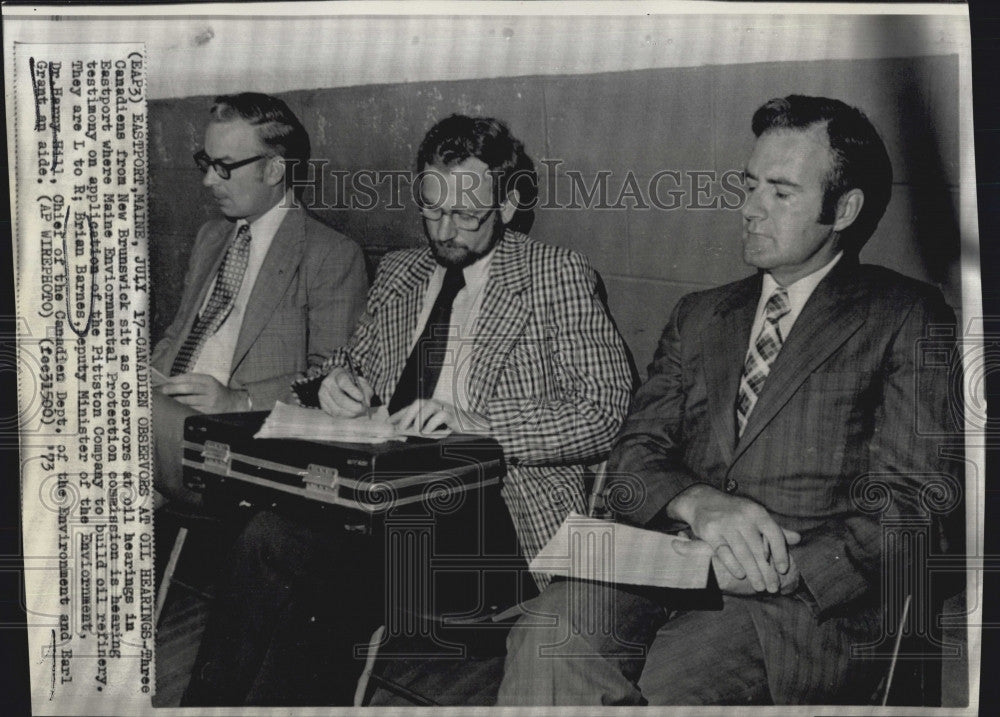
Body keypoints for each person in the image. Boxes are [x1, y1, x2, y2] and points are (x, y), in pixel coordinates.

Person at [497, 95, 963, 705]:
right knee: (546, 634)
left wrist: (787, 567)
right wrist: (699, 503)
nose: (749, 209)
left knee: (665, 690)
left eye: (780, 192)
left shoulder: (904, 315)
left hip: (793, 608)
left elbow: (917, 507)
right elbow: (633, 459)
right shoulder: (700, 315)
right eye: (748, 186)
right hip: (667, 564)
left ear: (843, 209)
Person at [181, 114, 634, 706]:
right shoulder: (401, 271)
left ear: (507, 204)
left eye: (466, 215)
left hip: (495, 518)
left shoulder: (556, 275)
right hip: (385, 495)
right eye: (432, 209)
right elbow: (340, 364)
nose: (445, 231)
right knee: (280, 540)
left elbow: (604, 410)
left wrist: (481, 425)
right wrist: (332, 384)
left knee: (303, 557)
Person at [150, 92, 368, 505]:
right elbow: (180, 332)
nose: (208, 180)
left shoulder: (331, 254)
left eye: (224, 167)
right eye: (206, 163)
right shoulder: (211, 237)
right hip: (166, 419)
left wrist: (239, 400)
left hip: (242, 442)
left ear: (274, 170)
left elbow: (333, 378)